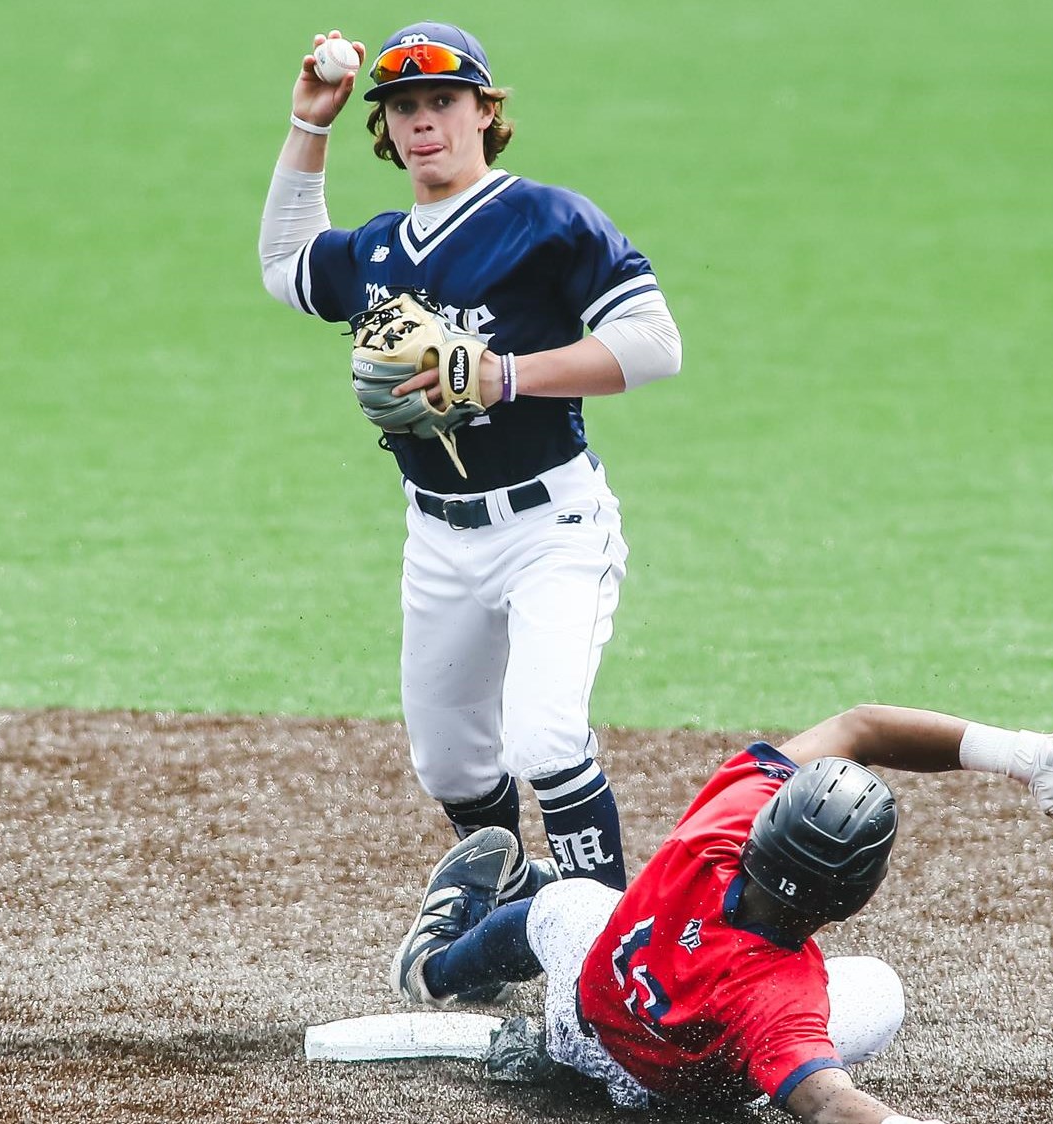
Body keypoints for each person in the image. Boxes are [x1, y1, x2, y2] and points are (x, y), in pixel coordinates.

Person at [259, 23, 682, 898]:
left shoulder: (547, 219)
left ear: (486, 112)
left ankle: (592, 958)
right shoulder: (373, 249)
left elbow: (654, 344)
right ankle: (517, 910)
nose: (424, 122)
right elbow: (284, 265)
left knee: (547, 744)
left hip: (552, 528)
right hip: (439, 540)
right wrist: (310, 126)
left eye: (444, 101)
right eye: (404, 107)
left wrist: (503, 376)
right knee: (450, 767)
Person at [390, 704, 1053, 1122]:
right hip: (662, 1095)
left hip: (580, 1015)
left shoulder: (715, 831)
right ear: (855, 897)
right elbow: (827, 1100)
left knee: (561, 902)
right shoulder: (781, 995)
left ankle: (434, 968)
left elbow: (861, 726)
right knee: (878, 991)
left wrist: (1021, 752)